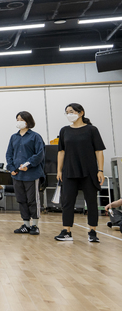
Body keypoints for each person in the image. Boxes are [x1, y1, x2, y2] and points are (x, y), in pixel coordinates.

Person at [54, 103, 106, 243]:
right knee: (67, 202)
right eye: (67, 112)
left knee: (91, 201)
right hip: (69, 171)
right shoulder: (64, 130)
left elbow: (99, 151)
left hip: (89, 171)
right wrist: (59, 170)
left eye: (71, 111)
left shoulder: (91, 130)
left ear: (81, 113)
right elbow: (61, 152)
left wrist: (100, 170)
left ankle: (93, 231)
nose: (69, 114)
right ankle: (66, 231)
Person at [5, 111, 46, 236]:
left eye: (21, 119)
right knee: (21, 199)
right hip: (17, 175)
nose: (19, 121)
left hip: (31, 174)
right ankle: (26, 224)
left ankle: (35, 225)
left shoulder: (35, 136)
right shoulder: (14, 137)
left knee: (32, 200)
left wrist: (28, 165)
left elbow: (39, 154)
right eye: (17, 119)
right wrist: (11, 167)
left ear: (28, 121)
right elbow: (9, 154)